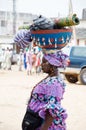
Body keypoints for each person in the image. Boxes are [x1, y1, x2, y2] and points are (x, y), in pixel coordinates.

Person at [23, 50, 69, 130]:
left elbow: (51, 112)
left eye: (44, 62)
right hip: (36, 121)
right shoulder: (50, 78)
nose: (41, 65)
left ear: (53, 65)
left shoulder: (55, 84)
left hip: (45, 125)